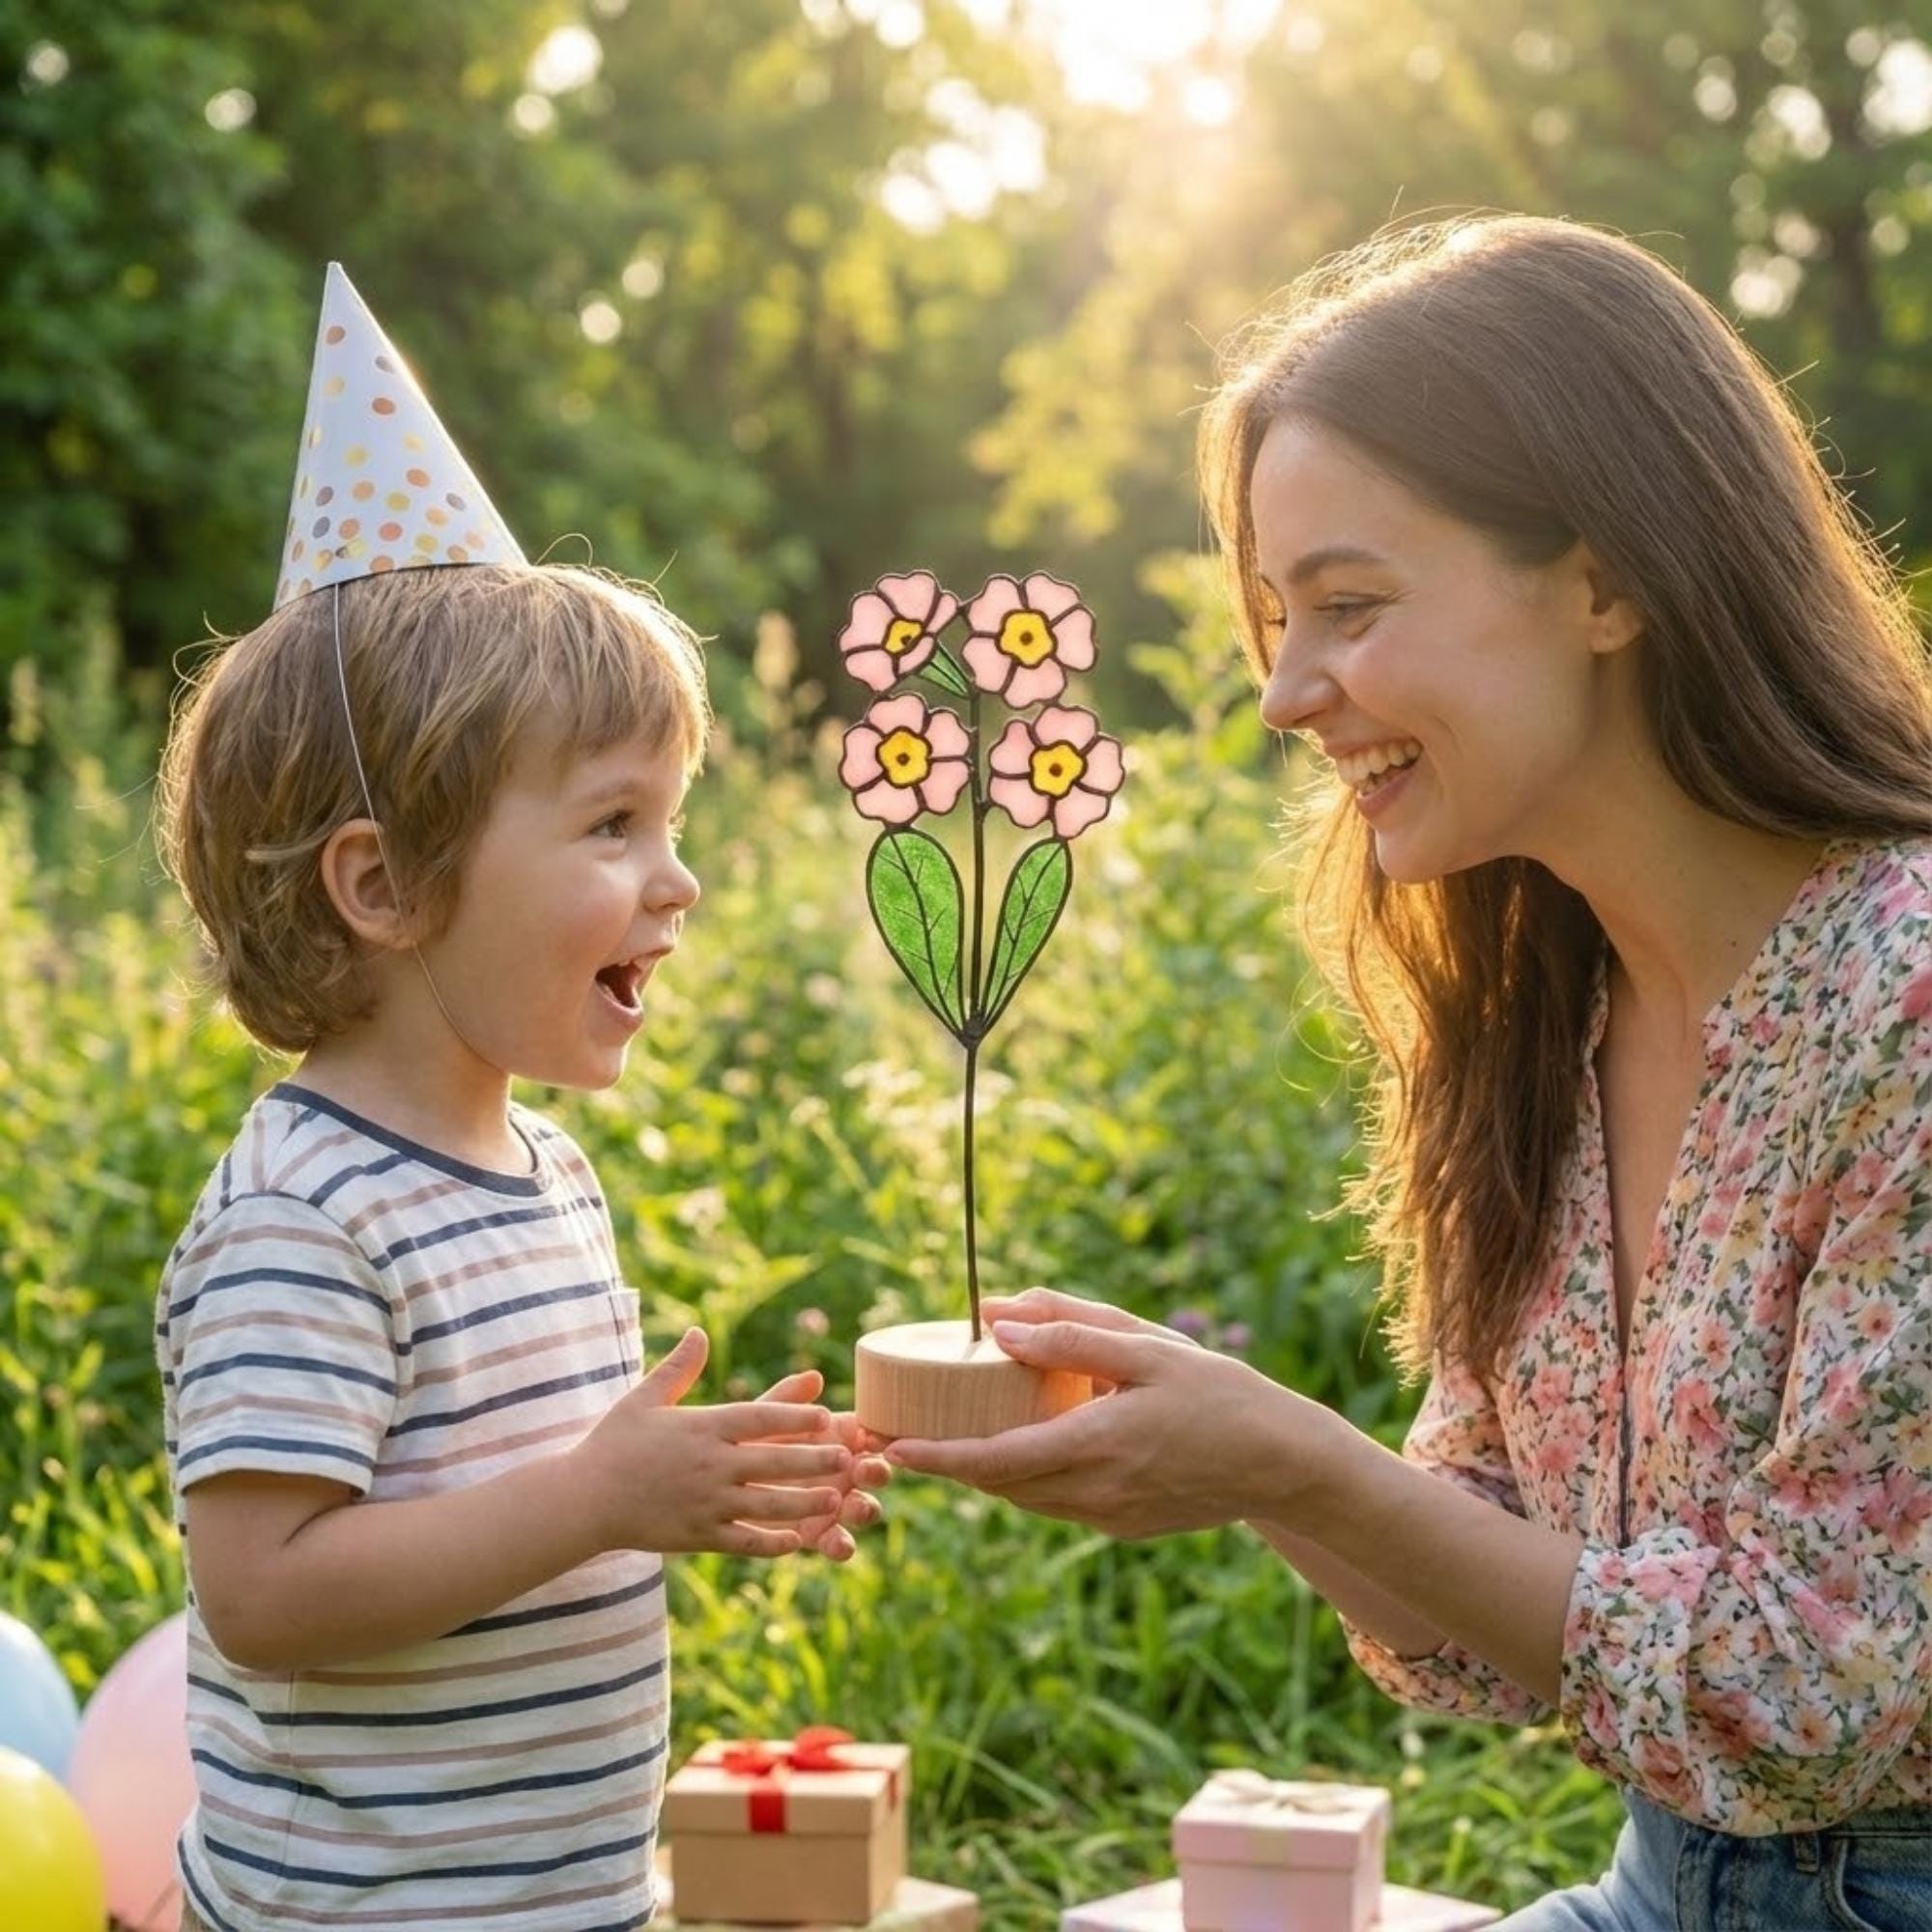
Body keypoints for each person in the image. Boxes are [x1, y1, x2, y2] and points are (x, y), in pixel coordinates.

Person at [884, 216, 1932, 1930]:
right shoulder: (1546, 1014)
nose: (1290, 693)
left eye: (1351, 608)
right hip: (1669, 1892)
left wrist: (1293, 1464)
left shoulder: (1907, 998)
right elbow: (1488, 1616)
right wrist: (1237, 1464)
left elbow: (1809, 1698)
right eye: (1279, 619)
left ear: (1609, 580)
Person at [152, 266, 885, 1932]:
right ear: (385, 886)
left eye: (672, 824)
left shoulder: (542, 1170)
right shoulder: (305, 1219)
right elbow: (261, 1592)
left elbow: (525, 1519)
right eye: (613, 826)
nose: (678, 881)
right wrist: (603, 1498)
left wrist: (687, 1494)